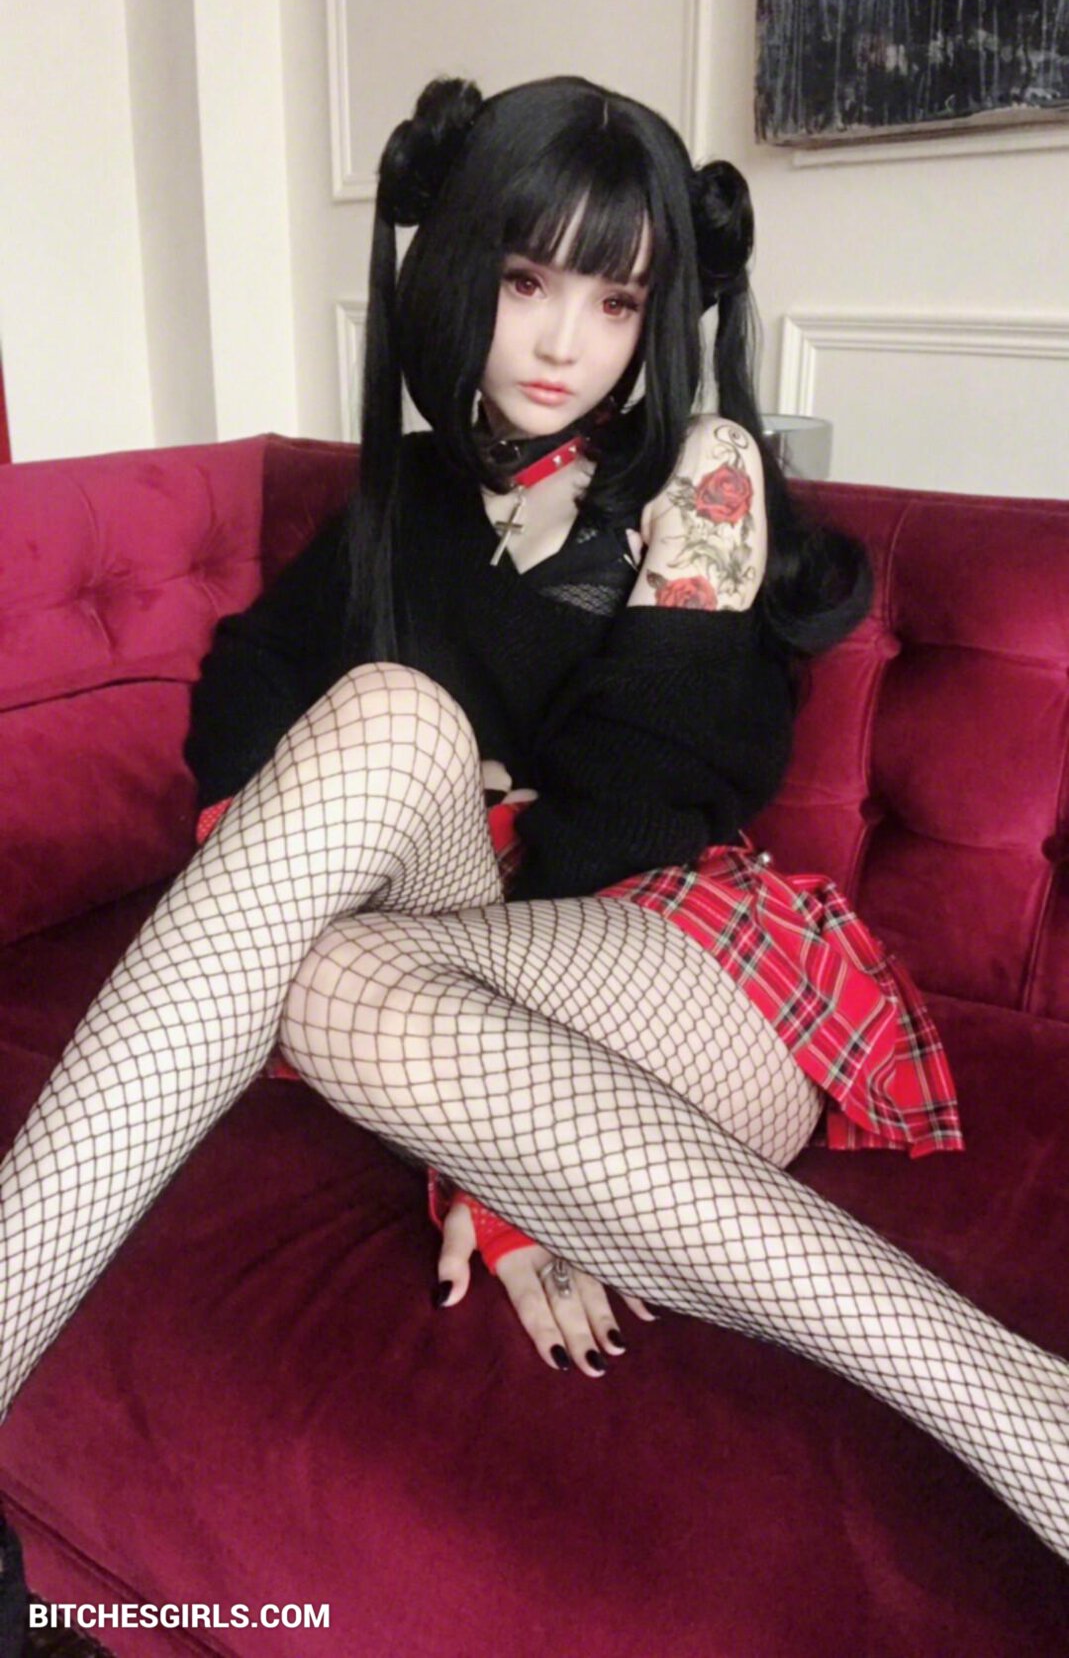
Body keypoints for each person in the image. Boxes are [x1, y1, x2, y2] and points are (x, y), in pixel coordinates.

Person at [0, 75, 1065, 1570]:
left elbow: (634, 814)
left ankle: (1028, 1415)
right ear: (460, 276)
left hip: (686, 955)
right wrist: (358, 841)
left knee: (330, 957)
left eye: (615, 301)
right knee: (387, 721)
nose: (565, 342)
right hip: (471, 949)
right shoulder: (416, 492)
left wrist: (486, 1163)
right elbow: (249, 673)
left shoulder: (702, 478)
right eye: (524, 282)